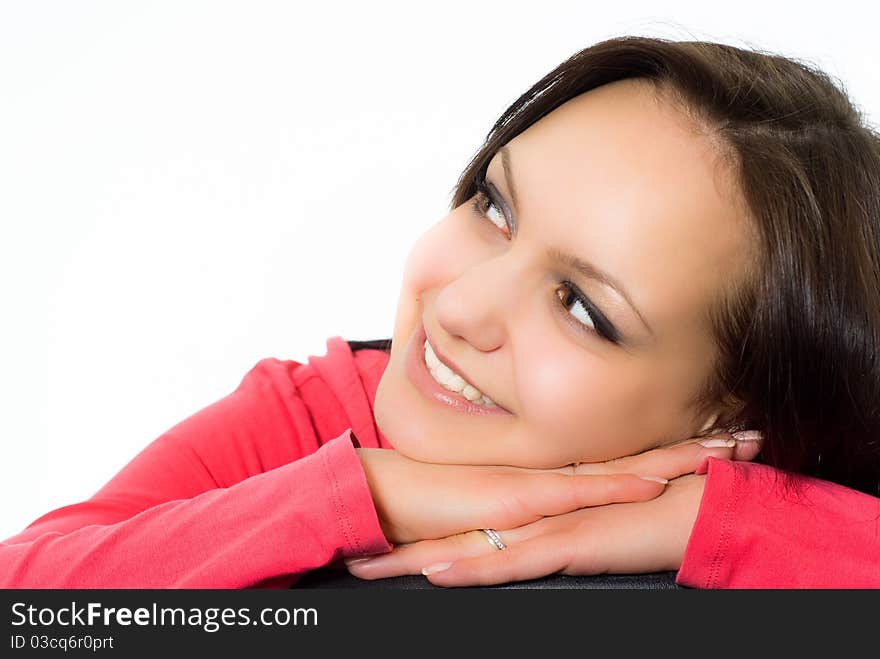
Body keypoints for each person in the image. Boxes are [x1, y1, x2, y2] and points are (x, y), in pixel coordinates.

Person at [3, 36, 879, 589]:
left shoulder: (793, 518)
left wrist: (725, 521)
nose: (457, 308)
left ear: (730, 410)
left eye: (579, 305)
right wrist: (361, 495)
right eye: (496, 209)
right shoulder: (312, 411)